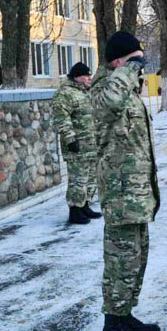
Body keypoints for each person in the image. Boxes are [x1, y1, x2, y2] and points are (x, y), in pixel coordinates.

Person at [90, 31, 161, 331]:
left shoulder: (126, 89)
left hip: (134, 191)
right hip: (120, 192)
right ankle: (112, 325)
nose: (140, 67)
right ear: (117, 61)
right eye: (134, 60)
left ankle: (124, 313)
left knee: (135, 257)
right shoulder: (105, 88)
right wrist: (127, 71)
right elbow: (108, 104)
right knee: (120, 258)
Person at [51, 62, 102, 225]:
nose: (89, 78)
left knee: (90, 178)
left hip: (91, 146)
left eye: (90, 75)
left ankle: (85, 206)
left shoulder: (85, 92)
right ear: (77, 77)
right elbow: (61, 118)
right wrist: (70, 139)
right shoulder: (65, 93)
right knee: (78, 180)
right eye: (86, 75)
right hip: (77, 146)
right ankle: (75, 211)